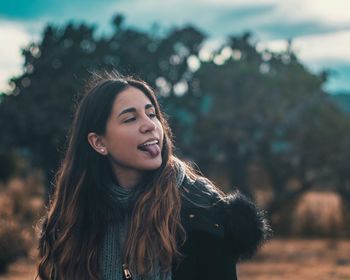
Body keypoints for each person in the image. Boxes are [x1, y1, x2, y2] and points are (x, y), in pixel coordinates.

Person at [36, 71, 271, 280]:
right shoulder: (70, 224)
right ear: (99, 142)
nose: (150, 125)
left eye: (152, 114)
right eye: (130, 118)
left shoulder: (202, 214)